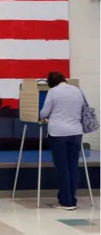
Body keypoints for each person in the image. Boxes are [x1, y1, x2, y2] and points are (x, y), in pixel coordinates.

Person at [39, 71, 84, 210]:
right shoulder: (78, 91)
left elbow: (44, 113)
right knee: (73, 166)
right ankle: (73, 199)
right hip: (76, 132)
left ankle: (65, 202)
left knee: (62, 167)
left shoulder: (53, 92)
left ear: (51, 82)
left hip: (58, 133)